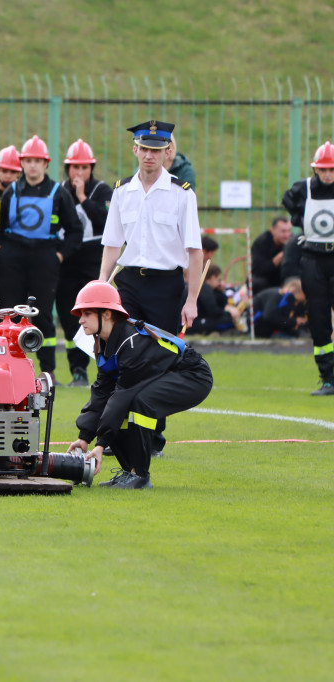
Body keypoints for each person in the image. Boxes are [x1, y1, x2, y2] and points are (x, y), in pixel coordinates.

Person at [67, 281, 213, 489]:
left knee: (140, 402)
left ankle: (139, 476)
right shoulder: (103, 341)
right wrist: (84, 437)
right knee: (120, 404)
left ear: (106, 314)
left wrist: (100, 444)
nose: (80, 320)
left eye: (87, 313)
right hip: (169, 374)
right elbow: (102, 390)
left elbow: (123, 394)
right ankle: (130, 473)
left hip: (193, 375)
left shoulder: (132, 342)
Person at [99, 120, 203, 335]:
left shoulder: (182, 194)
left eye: (156, 150)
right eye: (144, 148)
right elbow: (112, 244)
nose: (149, 155)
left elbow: (194, 250)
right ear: (135, 149)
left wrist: (191, 300)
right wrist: (101, 285)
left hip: (165, 285)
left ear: (168, 152)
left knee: (160, 353)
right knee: (124, 347)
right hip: (129, 282)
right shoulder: (121, 191)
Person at [0, 135, 83, 380]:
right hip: (13, 256)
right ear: (22, 164)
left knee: (43, 314)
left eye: (37, 161)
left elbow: (74, 229)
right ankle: (8, 368)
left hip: (45, 257)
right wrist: (1, 251)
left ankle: (48, 370)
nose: (32, 165)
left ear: (46, 164)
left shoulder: (58, 193)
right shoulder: (11, 191)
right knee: (9, 314)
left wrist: (59, 255)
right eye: (28, 161)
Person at [55, 139, 110, 387]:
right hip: (67, 258)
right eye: (75, 167)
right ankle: (77, 368)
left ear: (92, 168)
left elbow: (107, 220)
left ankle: (99, 366)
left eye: (84, 167)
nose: (79, 172)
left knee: (95, 315)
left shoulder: (102, 190)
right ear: (67, 169)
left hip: (92, 258)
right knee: (70, 316)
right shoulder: (58, 191)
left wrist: (82, 198)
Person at [281, 141, 334, 394]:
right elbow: (288, 201)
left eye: (331, 170)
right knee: (319, 318)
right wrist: (298, 217)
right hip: (313, 259)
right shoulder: (303, 190)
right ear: (316, 169)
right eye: (323, 169)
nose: (327, 174)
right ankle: (328, 377)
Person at [188, 264, 241, 335]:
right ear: (213, 277)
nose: (219, 282)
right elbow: (213, 311)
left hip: (196, 319)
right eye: (218, 279)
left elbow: (222, 301)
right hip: (193, 323)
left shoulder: (206, 288)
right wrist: (229, 314)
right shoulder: (204, 287)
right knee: (227, 321)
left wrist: (220, 289)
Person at [250, 217, 293, 293]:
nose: (287, 235)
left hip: (284, 278)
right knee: (257, 283)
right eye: (283, 231)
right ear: (273, 231)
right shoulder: (261, 242)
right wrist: (281, 256)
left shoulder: (292, 241)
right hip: (265, 279)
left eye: (289, 231)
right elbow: (258, 270)